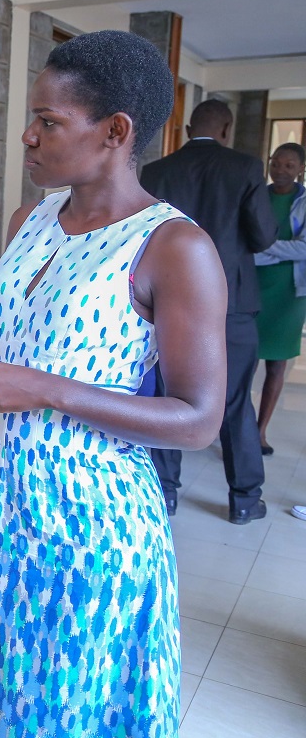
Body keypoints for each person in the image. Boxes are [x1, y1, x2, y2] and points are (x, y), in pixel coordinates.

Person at [0, 30, 227, 738]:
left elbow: (199, 418)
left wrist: (50, 389)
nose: (27, 136)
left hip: (87, 525)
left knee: (63, 709)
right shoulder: (31, 220)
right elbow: (22, 337)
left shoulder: (173, 246)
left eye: (49, 122)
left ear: (115, 132)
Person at [139, 98, 278, 524]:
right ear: (226, 129)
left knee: (169, 396)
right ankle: (244, 498)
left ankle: (165, 493)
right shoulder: (245, 168)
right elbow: (264, 236)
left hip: (166, 303)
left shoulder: (158, 170)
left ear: (186, 130)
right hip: (232, 302)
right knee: (234, 400)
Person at [254, 143, 306, 456]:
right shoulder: (258, 195)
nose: (281, 170)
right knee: (243, 362)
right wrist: (276, 249)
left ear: (301, 168)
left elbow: (304, 249)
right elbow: (246, 239)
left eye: (289, 165)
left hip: (289, 292)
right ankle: (240, 425)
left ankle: (260, 431)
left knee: (276, 364)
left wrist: (267, 249)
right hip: (254, 286)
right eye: (276, 163)